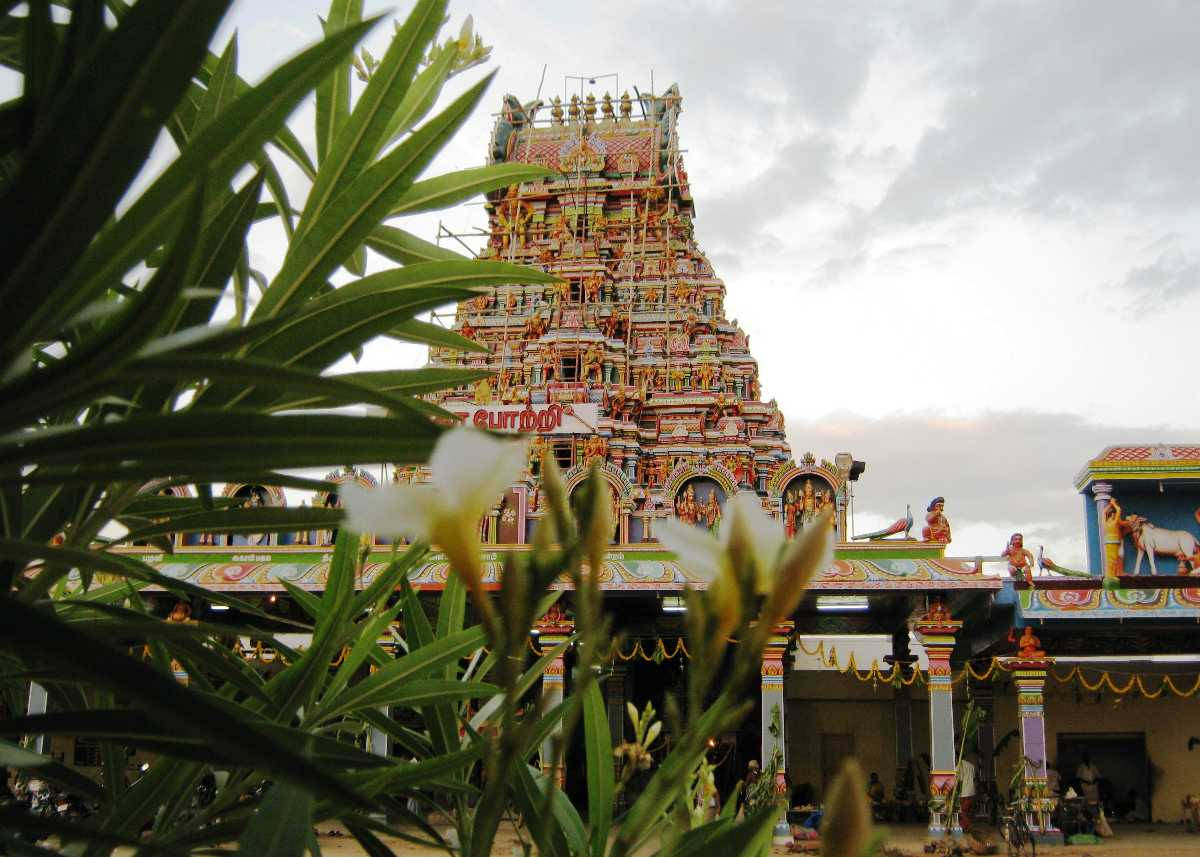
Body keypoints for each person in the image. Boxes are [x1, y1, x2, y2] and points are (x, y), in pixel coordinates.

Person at [958, 753, 977, 832]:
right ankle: (964, 827)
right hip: (971, 791)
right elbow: (974, 777)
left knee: (962, 812)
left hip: (964, 792)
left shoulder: (959, 766)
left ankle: (969, 826)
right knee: (967, 811)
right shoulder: (971, 765)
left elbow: (960, 779)